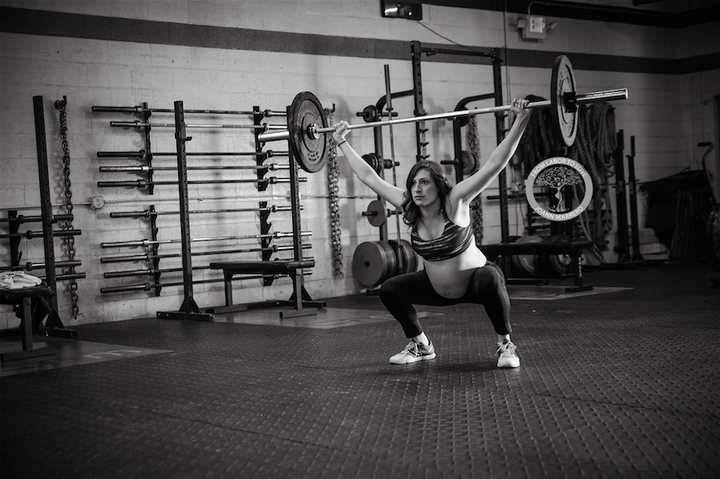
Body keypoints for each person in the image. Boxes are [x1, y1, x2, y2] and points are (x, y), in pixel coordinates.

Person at [332, 98, 531, 368]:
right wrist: (341, 142)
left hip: (475, 284)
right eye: (413, 183)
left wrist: (520, 120)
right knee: (390, 289)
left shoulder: (456, 201)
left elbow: (494, 164)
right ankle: (421, 345)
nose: (417, 188)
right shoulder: (409, 206)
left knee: (490, 277)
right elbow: (370, 177)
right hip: (437, 289)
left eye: (424, 182)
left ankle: (505, 344)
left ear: (438, 185)